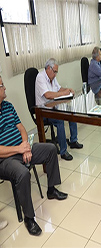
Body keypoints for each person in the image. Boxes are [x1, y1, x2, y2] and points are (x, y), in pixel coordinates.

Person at [0, 76, 67, 236]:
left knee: (51, 149)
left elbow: (22, 128)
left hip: (22, 148)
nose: (5, 88)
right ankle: (29, 217)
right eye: (1, 85)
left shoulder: (8, 106)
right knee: (23, 173)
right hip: (6, 159)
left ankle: (51, 189)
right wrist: (19, 149)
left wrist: (26, 148)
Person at [35, 58, 83, 161]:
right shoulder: (40, 77)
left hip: (54, 106)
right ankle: (63, 151)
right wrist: (63, 93)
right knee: (60, 120)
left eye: (56, 72)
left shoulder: (52, 77)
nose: (56, 74)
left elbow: (58, 89)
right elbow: (47, 95)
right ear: (48, 68)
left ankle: (73, 141)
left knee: (71, 112)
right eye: (55, 71)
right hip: (43, 110)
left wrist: (67, 90)